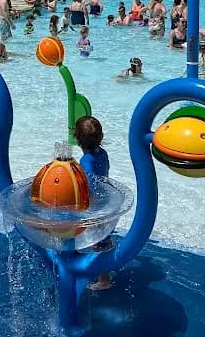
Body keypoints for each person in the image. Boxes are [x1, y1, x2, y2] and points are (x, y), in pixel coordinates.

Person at [74, 116, 113, 291]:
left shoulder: (85, 161)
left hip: (95, 205)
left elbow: (88, 184)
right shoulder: (103, 154)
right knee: (103, 237)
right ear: (101, 136)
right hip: (106, 200)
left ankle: (104, 280)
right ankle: (106, 264)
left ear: (77, 139)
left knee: (99, 242)